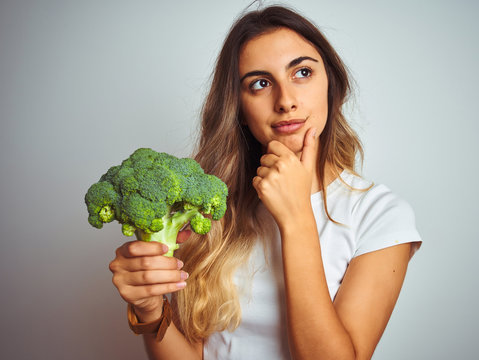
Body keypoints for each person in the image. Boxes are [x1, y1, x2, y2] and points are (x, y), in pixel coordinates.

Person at [109, 5, 422, 360]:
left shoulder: (381, 215)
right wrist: (150, 310)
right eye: (260, 83)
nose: (286, 101)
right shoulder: (207, 210)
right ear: (239, 108)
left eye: (302, 72)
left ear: (331, 84)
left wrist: (297, 217)